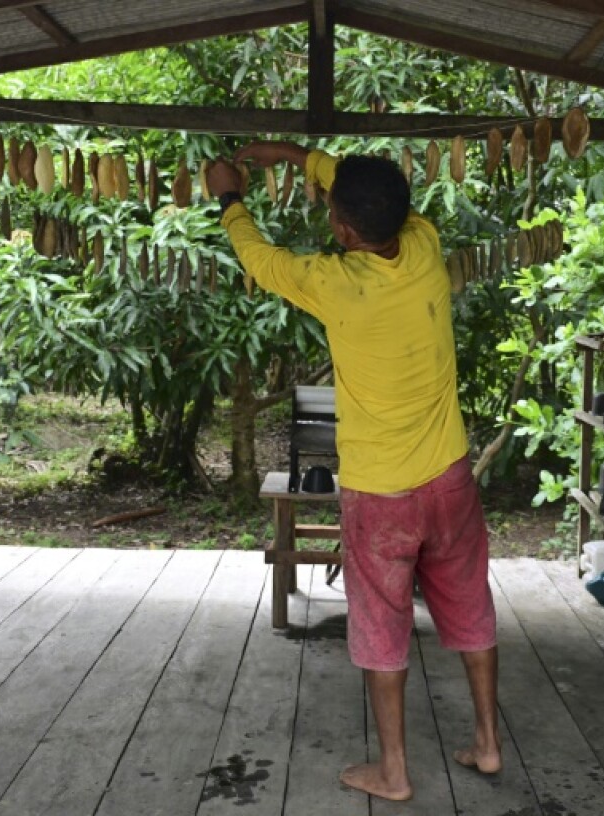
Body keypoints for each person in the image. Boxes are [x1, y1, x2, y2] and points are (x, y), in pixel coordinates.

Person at [206, 142, 500, 802]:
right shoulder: (423, 242)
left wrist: (230, 197)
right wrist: (298, 156)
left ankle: (393, 772)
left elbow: (259, 257)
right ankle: (486, 744)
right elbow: (369, 193)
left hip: (381, 494)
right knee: (471, 608)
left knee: (381, 624)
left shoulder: (332, 281)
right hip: (449, 479)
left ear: (341, 229)